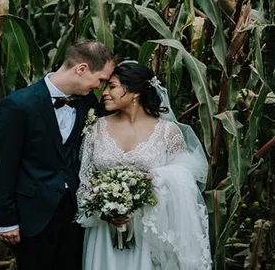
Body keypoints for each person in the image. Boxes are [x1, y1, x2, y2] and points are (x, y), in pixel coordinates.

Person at [0, 39, 114, 270]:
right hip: (33, 217)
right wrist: (6, 221)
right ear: (82, 69)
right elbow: (1, 166)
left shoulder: (87, 103)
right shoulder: (18, 106)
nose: (100, 87)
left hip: (75, 215)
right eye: (101, 79)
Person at [77, 61, 211, 269]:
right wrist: (104, 211)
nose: (104, 93)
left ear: (135, 93)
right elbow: (85, 180)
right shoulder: (96, 129)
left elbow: (187, 178)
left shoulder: (168, 133)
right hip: (104, 229)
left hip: (151, 231)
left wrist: (157, 178)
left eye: (112, 87)